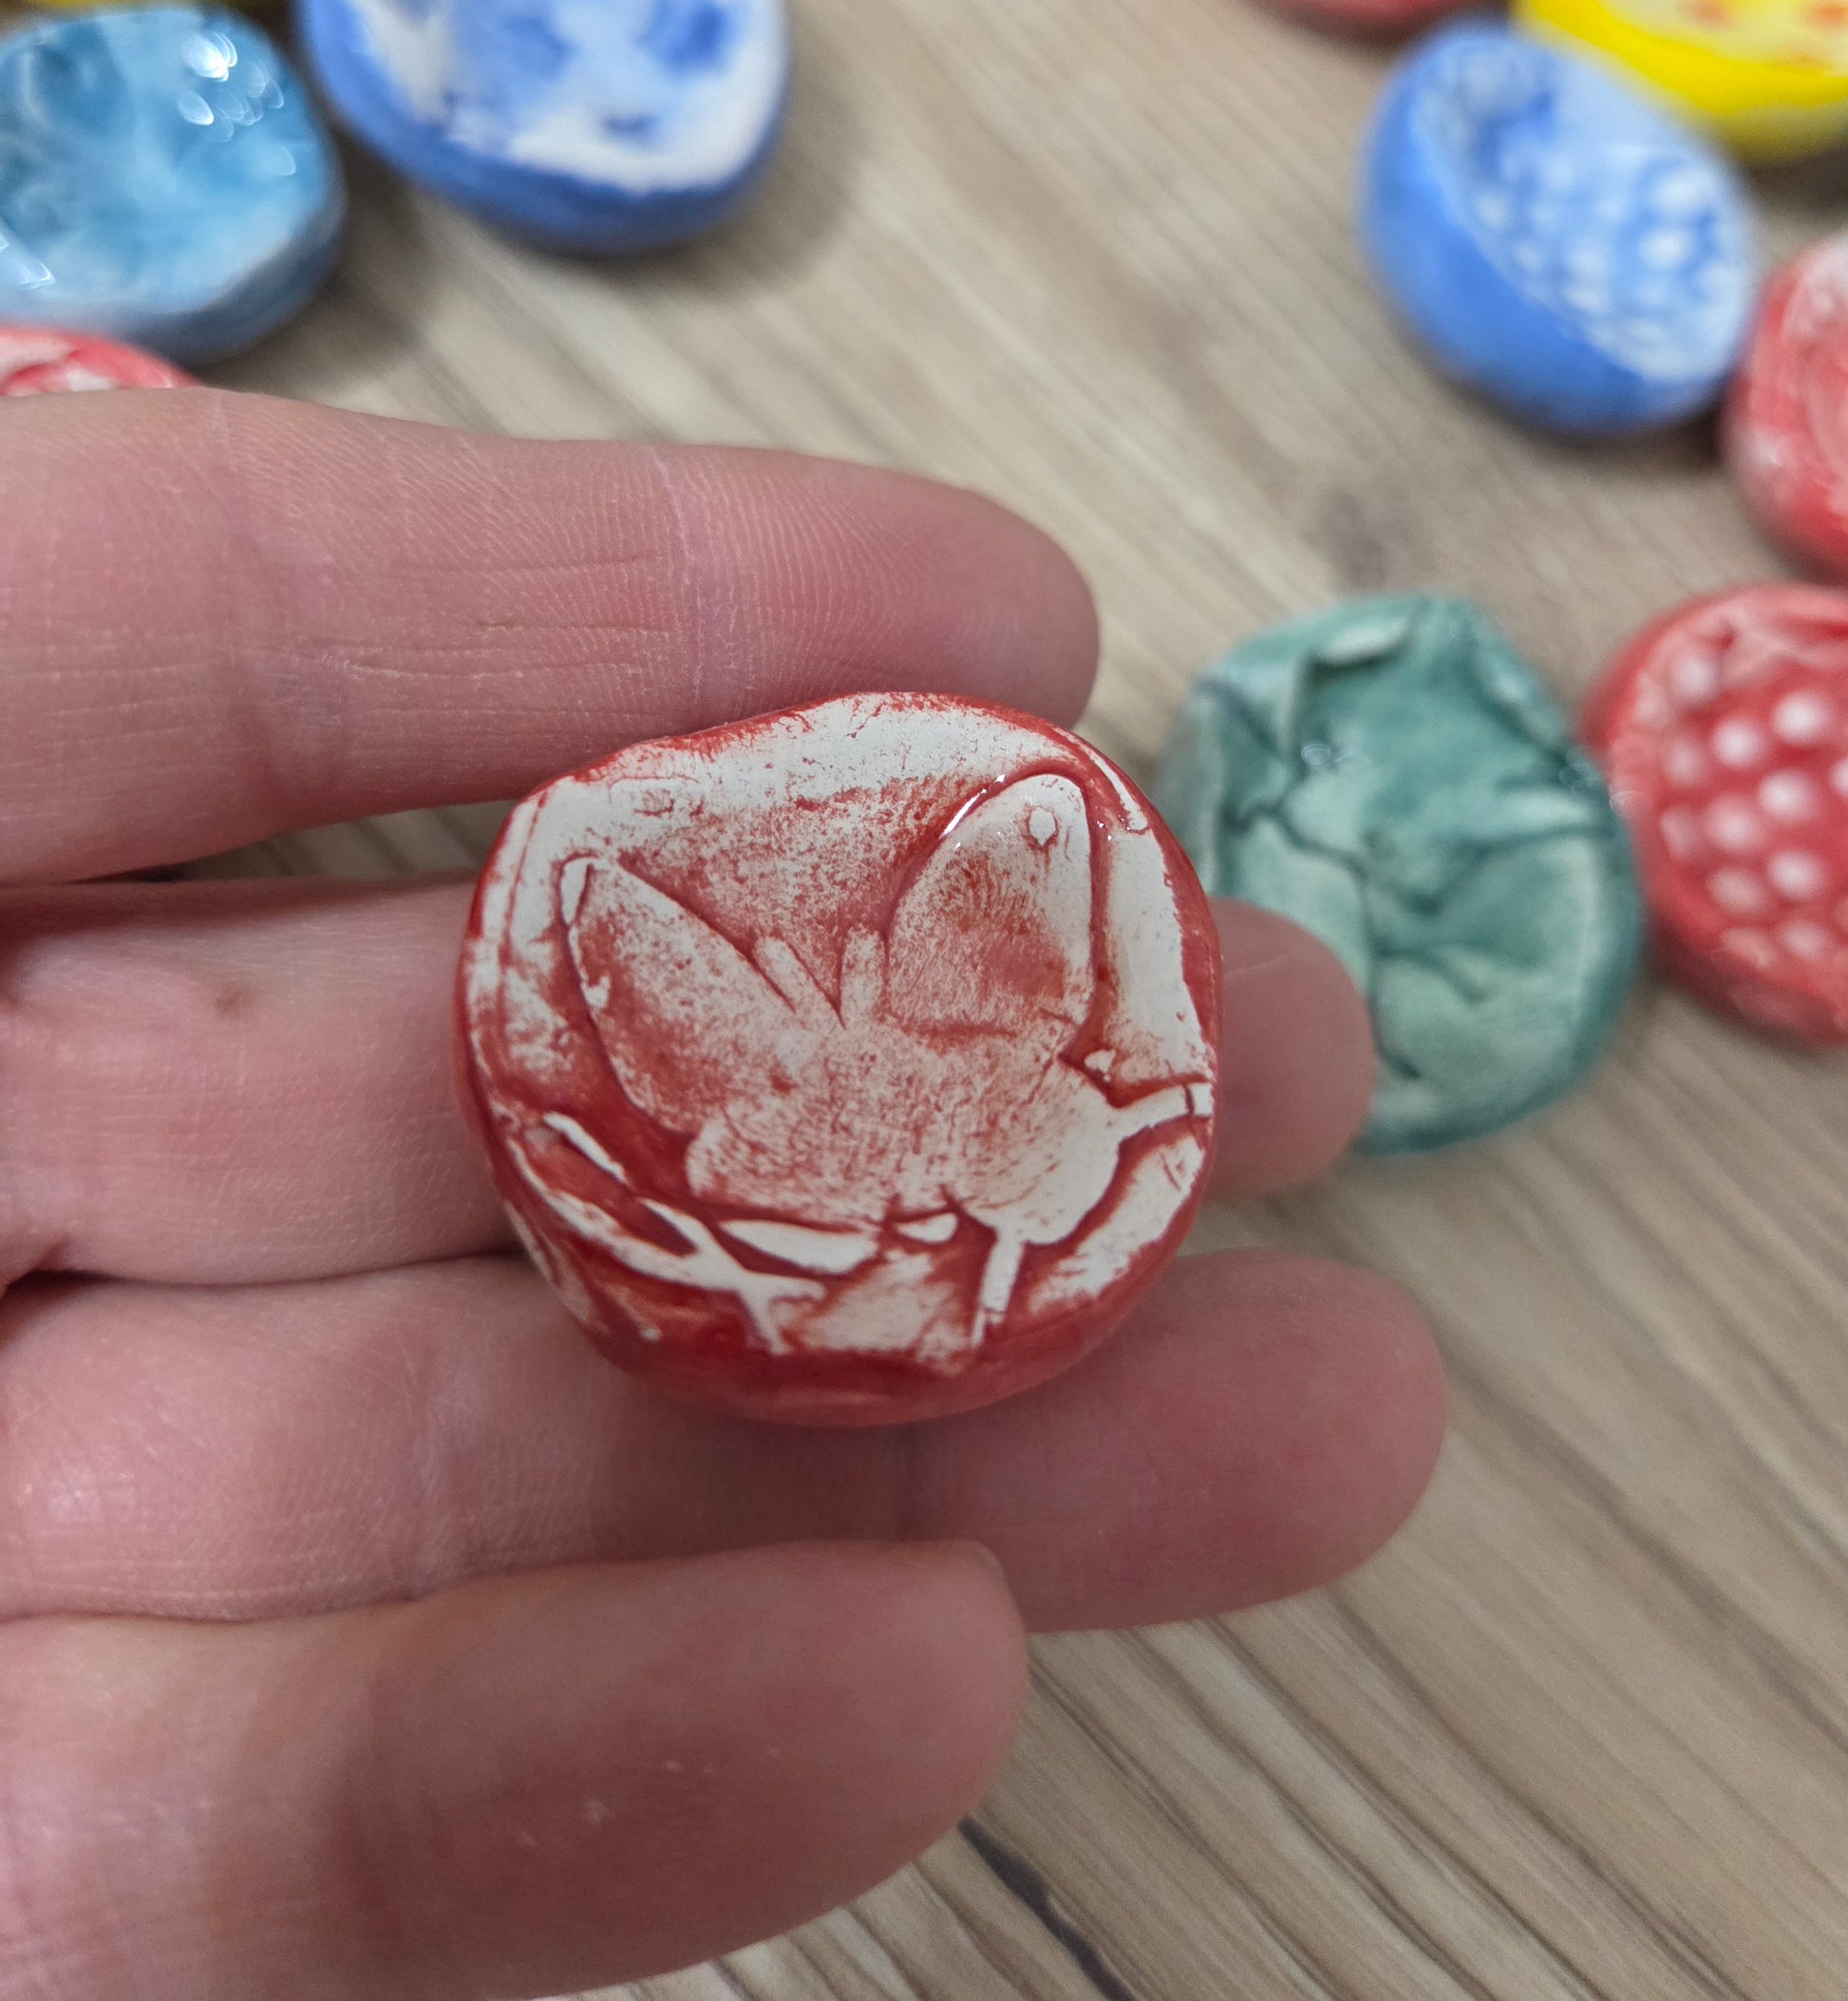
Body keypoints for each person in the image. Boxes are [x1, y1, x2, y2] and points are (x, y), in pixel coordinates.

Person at [0, 389, 1444, 1999]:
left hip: (942, 1136)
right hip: (819, 1151)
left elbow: (1027, 855)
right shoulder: (725, 1042)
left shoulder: (990, 982)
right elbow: (646, 948)